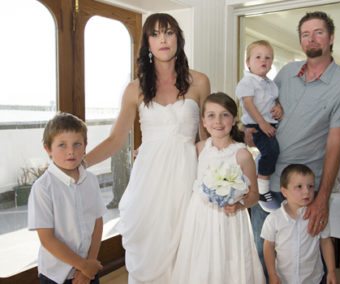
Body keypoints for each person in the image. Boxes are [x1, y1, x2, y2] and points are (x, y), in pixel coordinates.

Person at [84, 13, 210, 284]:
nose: (163, 39)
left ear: (179, 38)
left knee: (188, 253)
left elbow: (208, 137)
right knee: (151, 251)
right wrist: (78, 163)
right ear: (147, 44)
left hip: (187, 179)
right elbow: (115, 140)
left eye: (168, 32)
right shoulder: (135, 89)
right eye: (155, 34)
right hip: (149, 182)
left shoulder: (199, 81)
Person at [249, 11, 340, 280]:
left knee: (305, 264)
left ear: (331, 37)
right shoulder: (286, 73)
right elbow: (265, 112)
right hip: (267, 183)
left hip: (303, 193)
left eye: (319, 32)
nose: (311, 39)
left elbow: (335, 146)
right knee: (263, 260)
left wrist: (321, 199)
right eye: (305, 34)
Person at [172, 92, 265, 284]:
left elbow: (254, 196)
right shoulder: (198, 148)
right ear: (204, 122)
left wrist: (239, 204)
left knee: (228, 263)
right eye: (211, 115)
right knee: (200, 263)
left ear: (234, 119)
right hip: (200, 217)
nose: (218, 121)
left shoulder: (242, 155)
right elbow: (173, 155)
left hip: (230, 219)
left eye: (225, 115)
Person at [28, 112, 106, 284]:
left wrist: (89, 266)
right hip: (56, 276)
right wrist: (82, 265)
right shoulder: (42, 188)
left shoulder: (91, 180)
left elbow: (98, 222)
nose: (71, 151)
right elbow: (47, 239)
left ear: (85, 146)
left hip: (88, 270)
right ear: (48, 149)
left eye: (77, 144)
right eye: (62, 145)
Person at [261, 164, 337, 284]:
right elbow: (268, 247)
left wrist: (331, 271)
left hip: (313, 279)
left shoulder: (317, 217)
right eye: (299, 187)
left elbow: (326, 242)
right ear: (284, 192)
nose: (306, 191)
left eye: (311, 186)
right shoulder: (274, 219)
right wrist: (272, 274)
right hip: (284, 279)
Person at [235, 40, 281, 213]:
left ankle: (260, 177)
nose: (264, 60)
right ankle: (262, 188)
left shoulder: (271, 84)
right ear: (248, 62)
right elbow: (248, 105)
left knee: (271, 151)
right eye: (258, 57)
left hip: (269, 123)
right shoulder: (248, 82)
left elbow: (274, 100)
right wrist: (262, 123)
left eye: (268, 58)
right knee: (270, 150)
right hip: (256, 124)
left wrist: (278, 107)